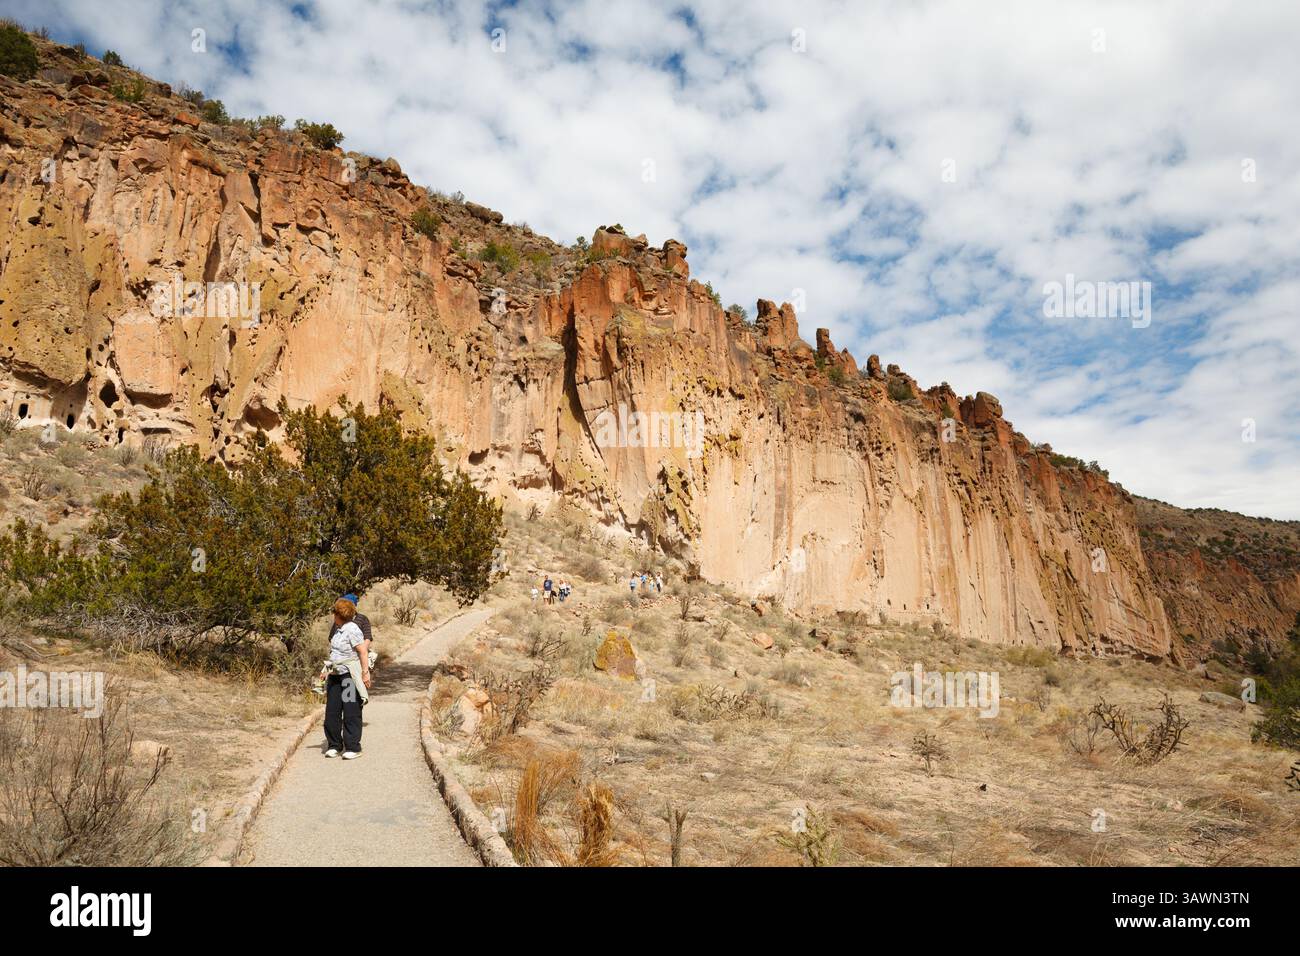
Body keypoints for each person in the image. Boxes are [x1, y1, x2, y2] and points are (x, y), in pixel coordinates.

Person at [323, 598, 371, 759]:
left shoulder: (352, 630)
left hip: (348, 678)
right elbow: (335, 653)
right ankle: (334, 745)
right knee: (332, 712)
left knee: (351, 711)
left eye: (334, 613)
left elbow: (362, 652)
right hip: (335, 676)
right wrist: (326, 670)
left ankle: (353, 747)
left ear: (339, 614)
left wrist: (365, 673)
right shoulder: (339, 628)